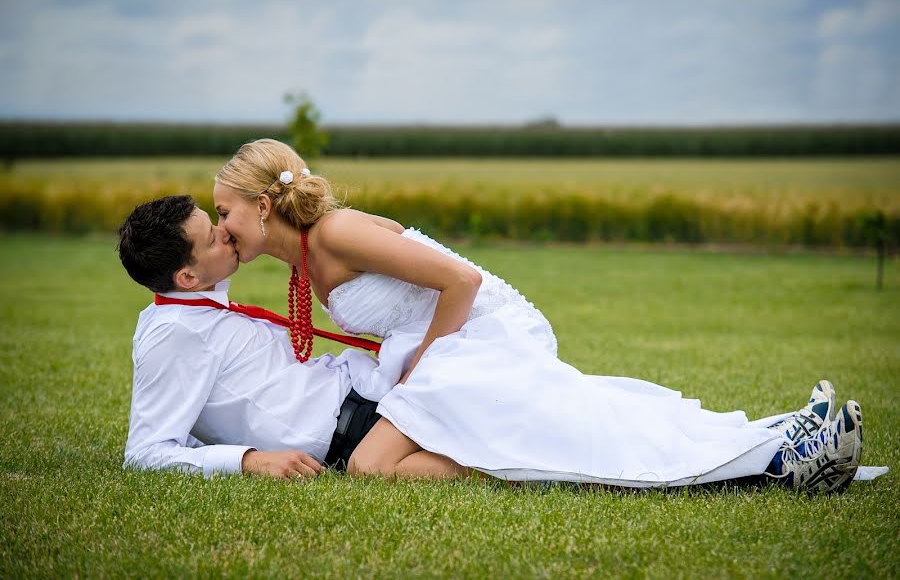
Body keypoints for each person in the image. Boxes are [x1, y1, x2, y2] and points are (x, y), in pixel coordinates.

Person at [212, 139, 884, 491]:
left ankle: (771, 455)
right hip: (447, 342)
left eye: (223, 213)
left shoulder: (334, 234)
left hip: (476, 331)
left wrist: (421, 370)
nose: (221, 227)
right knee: (385, 460)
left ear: (262, 205)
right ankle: (779, 442)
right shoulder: (306, 256)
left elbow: (461, 279)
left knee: (369, 466)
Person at [117, 195, 396, 480]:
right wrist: (248, 460)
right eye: (211, 239)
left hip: (362, 387)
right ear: (187, 278)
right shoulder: (173, 332)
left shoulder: (192, 312)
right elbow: (145, 453)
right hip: (356, 426)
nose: (225, 232)